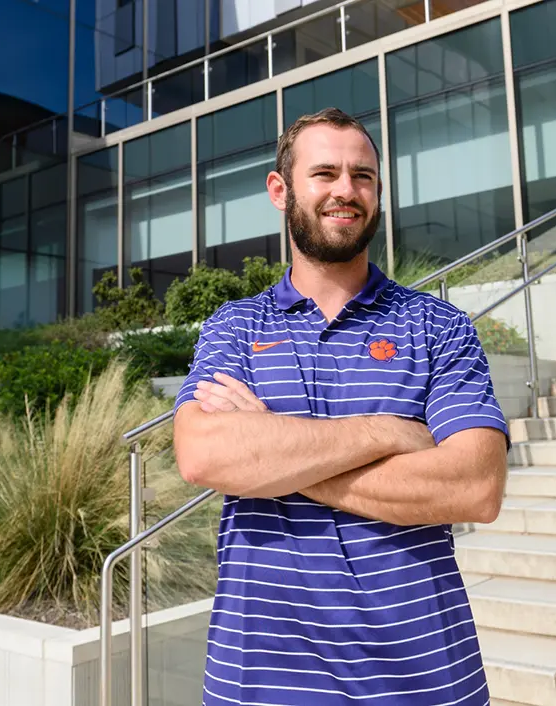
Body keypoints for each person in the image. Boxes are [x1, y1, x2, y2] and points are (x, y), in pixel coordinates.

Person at [173, 107, 509, 705]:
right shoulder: (234, 327)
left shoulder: (439, 326)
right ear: (281, 190)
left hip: (425, 683)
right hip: (262, 683)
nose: (345, 191)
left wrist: (273, 456)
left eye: (363, 176)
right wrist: (387, 431)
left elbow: (475, 486)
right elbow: (203, 455)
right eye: (324, 173)